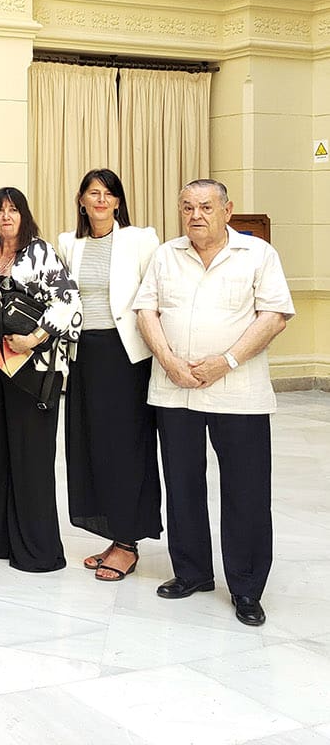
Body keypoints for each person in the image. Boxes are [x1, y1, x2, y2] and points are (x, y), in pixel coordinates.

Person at [133, 178, 293, 627]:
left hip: (239, 392)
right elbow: (146, 311)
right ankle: (192, 573)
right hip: (174, 388)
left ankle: (245, 587)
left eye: (205, 206)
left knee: (245, 491)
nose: (195, 215)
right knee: (182, 485)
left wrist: (227, 361)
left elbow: (274, 316)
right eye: (187, 207)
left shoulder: (258, 254)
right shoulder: (167, 255)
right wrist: (168, 360)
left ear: (227, 210)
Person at [57, 169, 161, 582]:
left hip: (126, 357)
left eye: (108, 194)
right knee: (92, 447)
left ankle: (128, 543)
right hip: (84, 357)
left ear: (118, 201)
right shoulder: (70, 245)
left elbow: (156, 294)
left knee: (125, 448)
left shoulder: (140, 240)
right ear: (81, 200)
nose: (100, 200)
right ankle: (115, 536)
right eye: (92, 193)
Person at [0, 187, 81, 572]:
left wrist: (35, 338)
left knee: (30, 453)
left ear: (24, 215)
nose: (5, 217)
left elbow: (69, 302)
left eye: (13, 210)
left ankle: (36, 549)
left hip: (30, 361)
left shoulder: (40, 252)